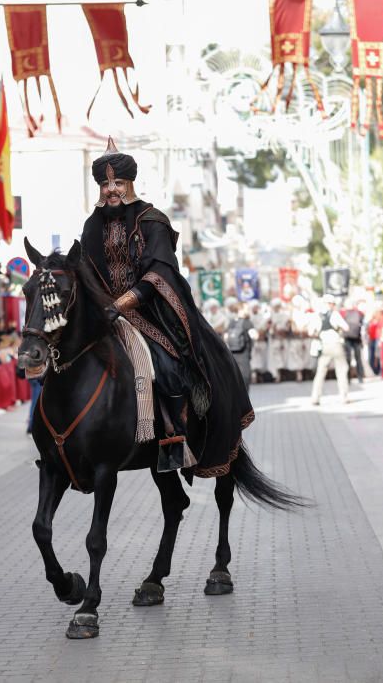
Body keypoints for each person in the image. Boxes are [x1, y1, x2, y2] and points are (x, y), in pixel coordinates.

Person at [80, 137, 254, 475]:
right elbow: (85, 269)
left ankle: (175, 438)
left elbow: (160, 271)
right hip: (104, 314)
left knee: (169, 367)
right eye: (105, 183)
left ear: (130, 183)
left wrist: (124, 302)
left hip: (150, 311)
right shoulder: (92, 226)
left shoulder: (151, 220)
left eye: (117, 182)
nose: (111, 189)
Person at [310, 295, 350, 405]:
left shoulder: (317, 315)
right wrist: (338, 329)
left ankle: (315, 397)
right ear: (330, 304)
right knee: (341, 370)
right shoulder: (335, 314)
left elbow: (310, 332)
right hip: (336, 344)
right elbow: (346, 327)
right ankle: (343, 396)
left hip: (324, 346)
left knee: (320, 372)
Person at [224, 298, 254, 391]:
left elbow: (225, 337)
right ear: (241, 309)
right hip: (244, 353)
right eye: (246, 308)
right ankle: (245, 401)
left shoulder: (231, 322)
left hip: (232, 352)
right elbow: (254, 335)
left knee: (235, 377)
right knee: (245, 377)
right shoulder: (247, 322)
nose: (248, 310)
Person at [341, 299, 365, 384]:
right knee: (358, 358)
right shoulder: (359, 313)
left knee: (348, 358)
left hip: (347, 338)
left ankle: (348, 378)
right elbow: (362, 325)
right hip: (357, 338)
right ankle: (360, 377)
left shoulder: (343, 313)